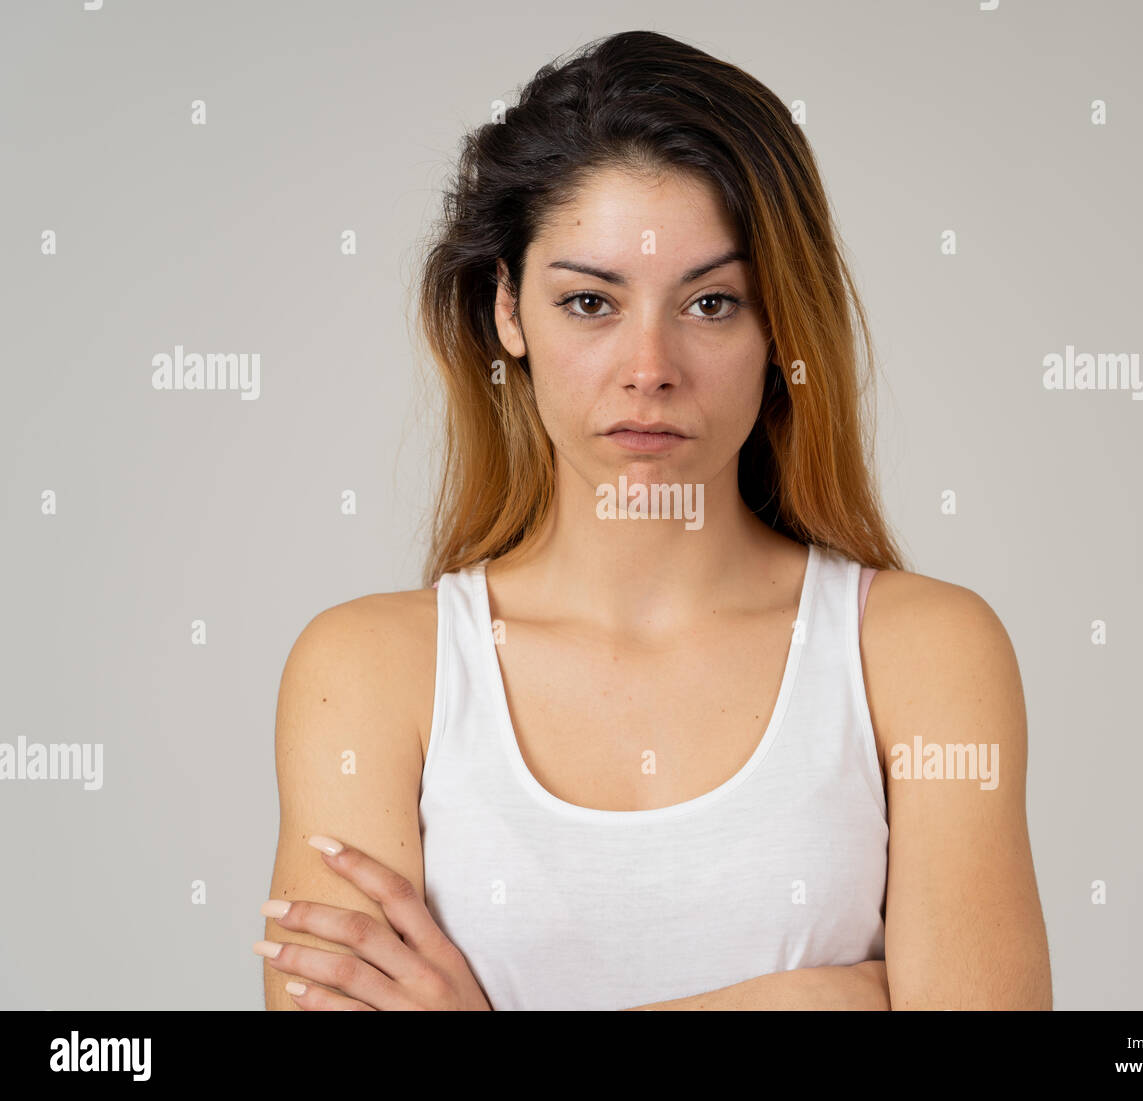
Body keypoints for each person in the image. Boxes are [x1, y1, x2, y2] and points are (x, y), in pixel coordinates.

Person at [257, 29, 1051, 1011]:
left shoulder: (920, 653)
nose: (649, 367)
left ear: (780, 328)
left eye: (711, 303)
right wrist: (819, 1001)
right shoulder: (369, 673)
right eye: (590, 302)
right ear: (508, 312)